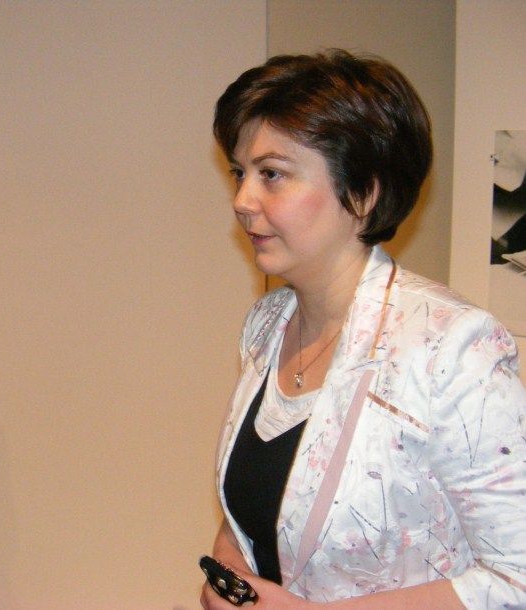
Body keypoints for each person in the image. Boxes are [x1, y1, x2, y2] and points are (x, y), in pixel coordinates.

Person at [202, 50, 526, 609]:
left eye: (271, 174)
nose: (242, 201)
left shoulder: (452, 347)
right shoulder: (268, 323)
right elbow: (261, 508)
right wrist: (229, 577)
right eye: (240, 173)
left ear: (363, 192)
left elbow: (516, 578)